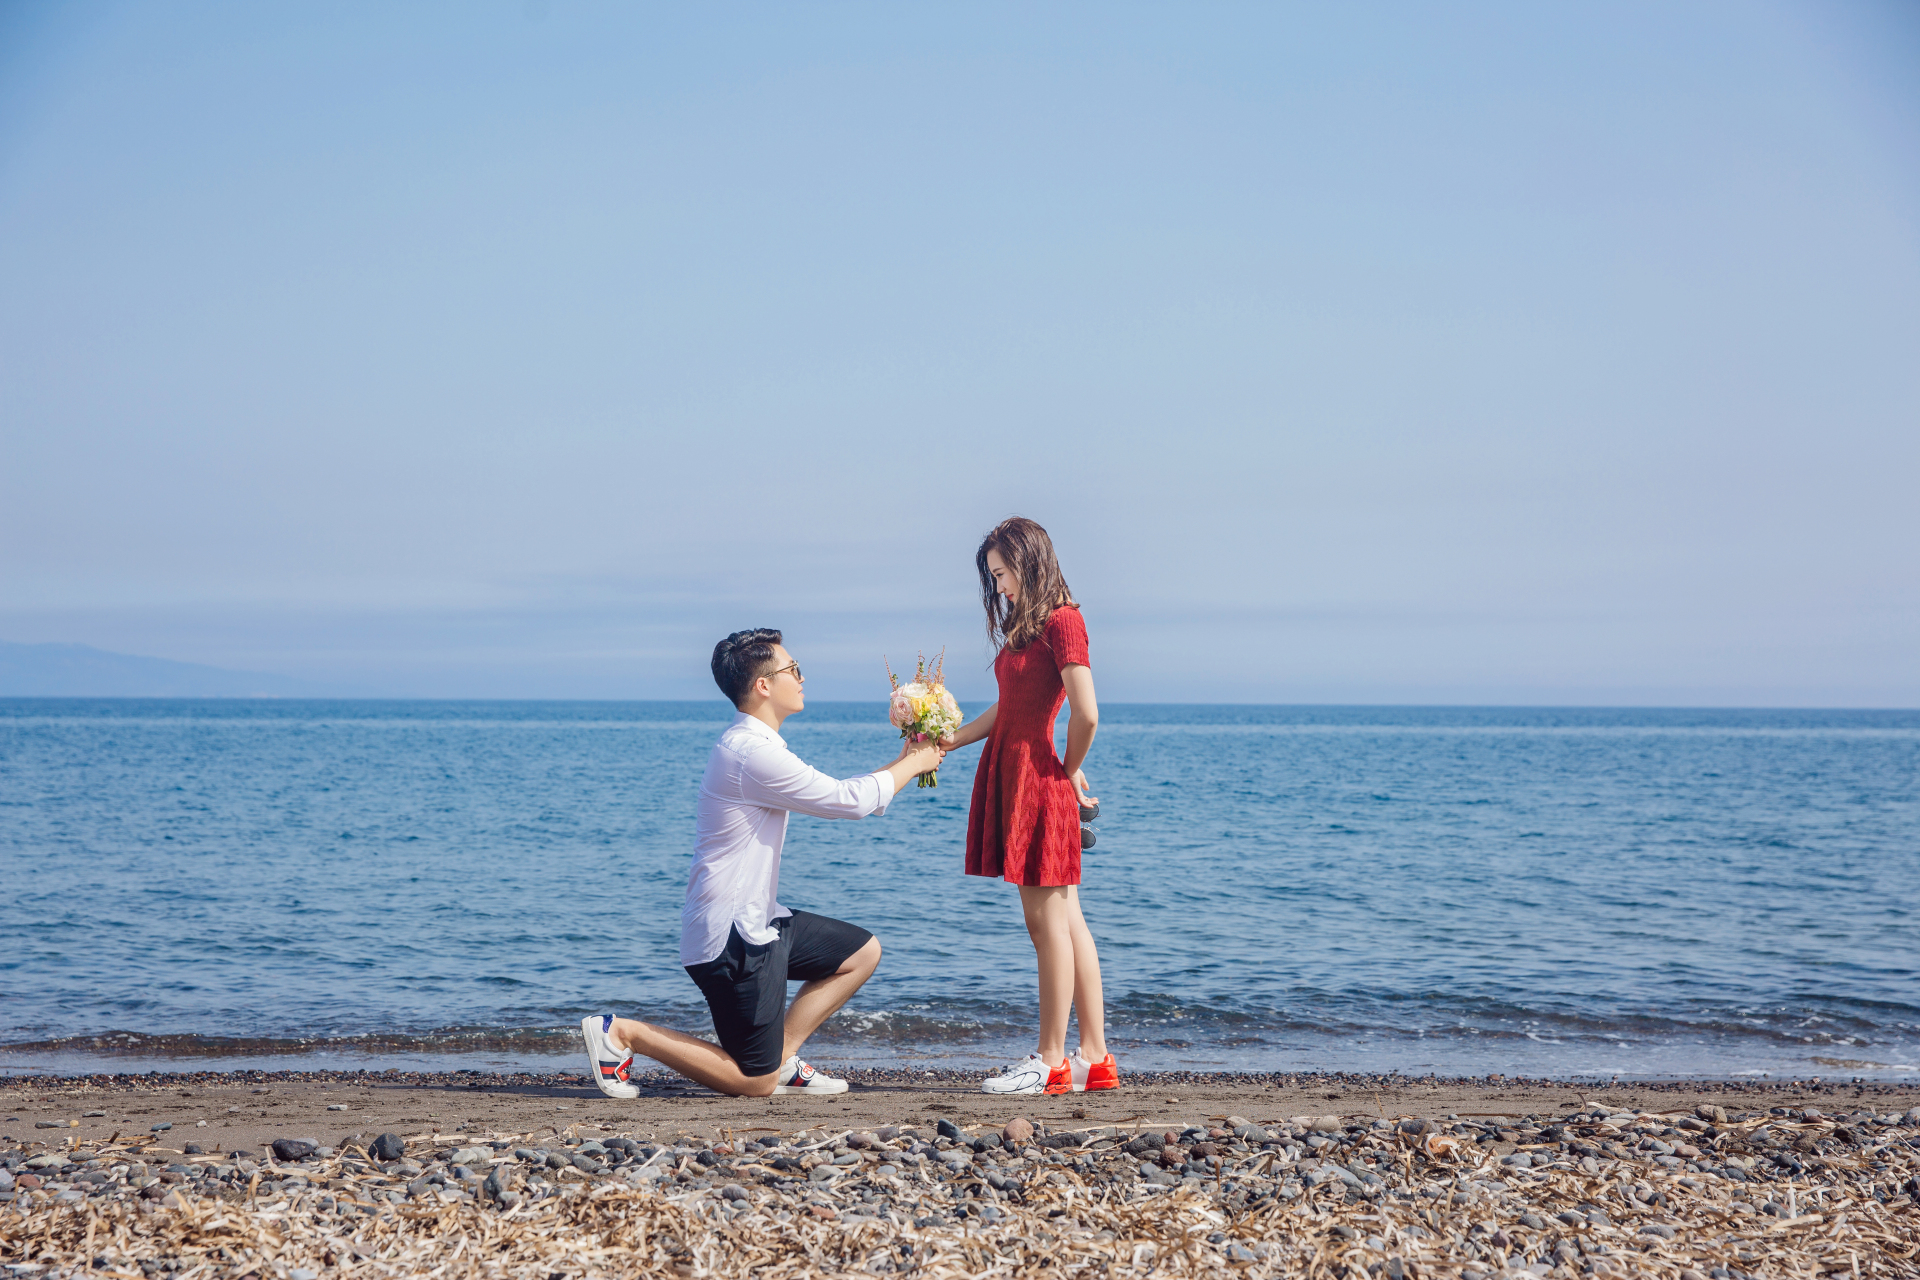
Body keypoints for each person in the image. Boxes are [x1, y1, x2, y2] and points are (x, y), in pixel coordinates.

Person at [581, 627, 943, 1098]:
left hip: (759, 920)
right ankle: (622, 1032)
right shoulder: (750, 754)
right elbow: (846, 800)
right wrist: (914, 763)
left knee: (861, 953)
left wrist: (905, 760)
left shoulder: (758, 747)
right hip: (729, 937)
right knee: (753, 1082)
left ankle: (783, 1058)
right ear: (764, 685)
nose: (802, 678)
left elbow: (844, 795)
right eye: (794, 669)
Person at [939, 517, 1117, 1094]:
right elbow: (1010, 706)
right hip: (1020, 772)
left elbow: (1087, 713)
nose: (999, 586)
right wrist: (952, 741)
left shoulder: (1064, 621)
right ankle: (1095, 1059)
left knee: (1046, 928)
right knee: (1068, 922)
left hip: (1038, 781)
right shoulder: (1032, 623)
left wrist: (1064, 770)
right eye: (993, 577)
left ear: (1029, 561)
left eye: (1002, 573)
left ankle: (1050, 1061)